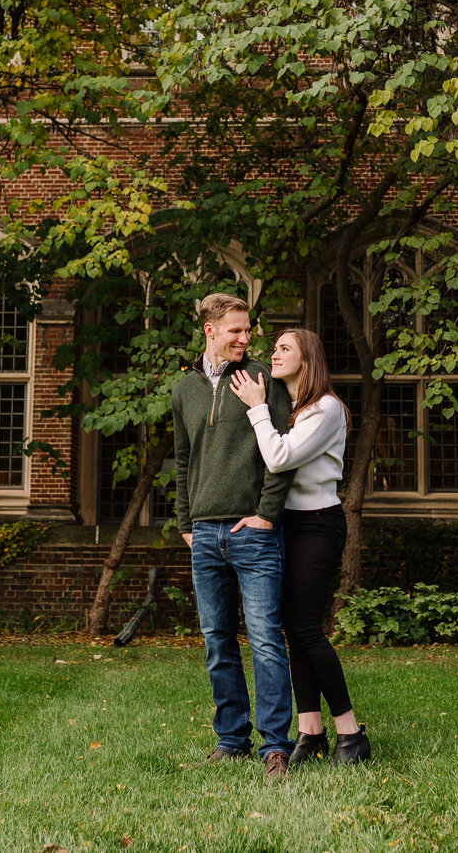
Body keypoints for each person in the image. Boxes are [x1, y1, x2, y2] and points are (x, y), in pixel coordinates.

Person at [230, 327, 372, 766]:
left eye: (284, 348)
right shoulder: (287, 406)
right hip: (286, 525)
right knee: (292, 629)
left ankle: (350, 732)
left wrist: (255, 410)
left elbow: (279, 458)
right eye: (273, 347)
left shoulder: (326, 408)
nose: (274, 353)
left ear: (307, 358)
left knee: (307, 628)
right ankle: (310, 730)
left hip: (318, 525)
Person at [173, 292, 297, 784]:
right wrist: (186, 523)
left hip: (254, 533)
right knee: (217, 641)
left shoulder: (265, 379)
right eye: (236, 331)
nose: (246, 339)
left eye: (248, 330)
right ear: (210, 329)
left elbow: (281, 451)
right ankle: (231, 739)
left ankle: (275, 747)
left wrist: (267, 515)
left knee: (266, 640)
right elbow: (183, 462)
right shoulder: (184, 389)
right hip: (204, 534)